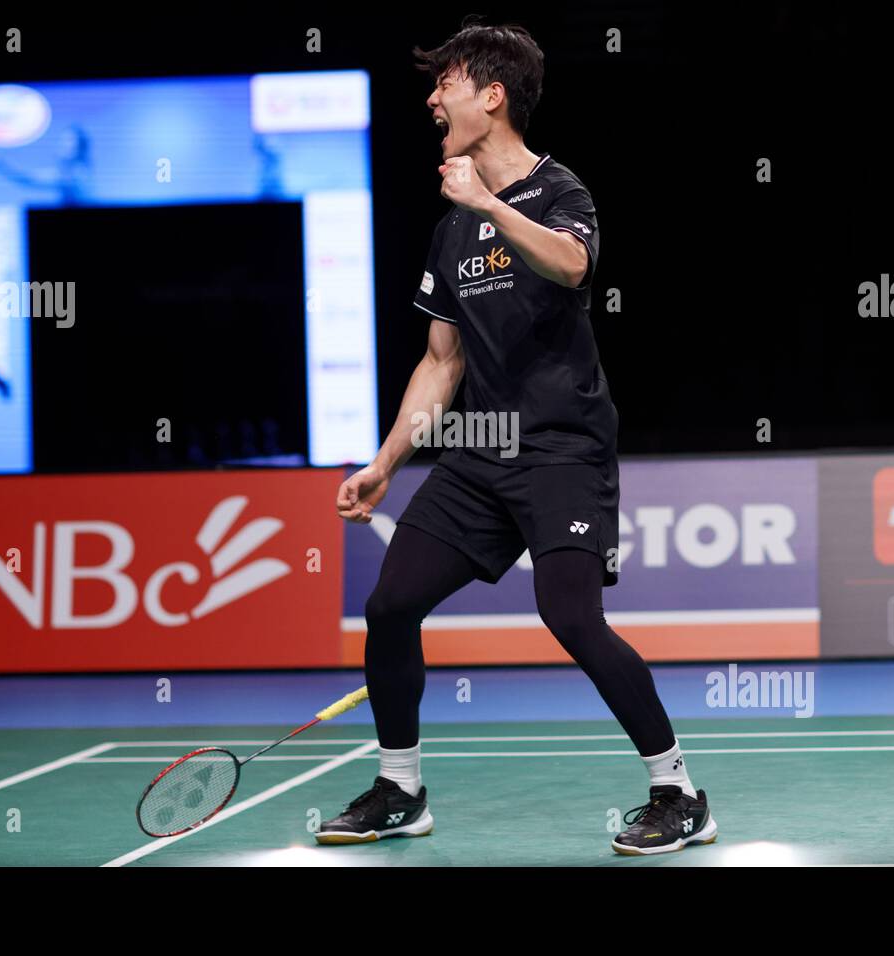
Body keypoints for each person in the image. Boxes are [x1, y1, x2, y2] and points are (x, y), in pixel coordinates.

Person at [319, 20, 717, 856]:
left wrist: (489, 205)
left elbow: (574, 266)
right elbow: (440, 362)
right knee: (390, 605)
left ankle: (679, 792)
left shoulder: (556, 189)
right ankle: (400, 786)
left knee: (569, 615)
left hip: (562, 446)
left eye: (447, 83)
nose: (431, 98)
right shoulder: (450, 228)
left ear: (492, 94)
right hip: (477, 457)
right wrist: (386, 462)